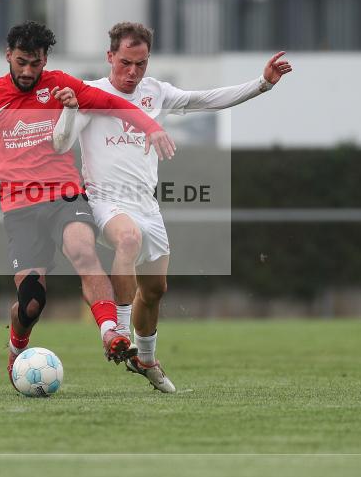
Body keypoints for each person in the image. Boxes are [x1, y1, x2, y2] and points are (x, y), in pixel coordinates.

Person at [0, 21, 177, 385]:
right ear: (8, 56)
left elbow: (111, 102)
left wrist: (150, 126)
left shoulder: (60, 84)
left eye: (35, 63)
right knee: (32, 302)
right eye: (21, 62)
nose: (27, 71)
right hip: (20, 207)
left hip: (65, 194)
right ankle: (16, 345)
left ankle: (110, 334)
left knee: (83, 251)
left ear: (45, 59)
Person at [52, 22, 291, 392]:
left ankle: (146, 360)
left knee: (156, 290)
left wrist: (262, 84)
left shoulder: (156, 93)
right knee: (127, 239)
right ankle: (118, 335)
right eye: (126, 63)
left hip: (146, 205)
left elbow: (208, 99)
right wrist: (69, 110)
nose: (133, 72)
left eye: (141, 64)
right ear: (109, 57)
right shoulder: (91, 94)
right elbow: (61, 144)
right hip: (104, 201)